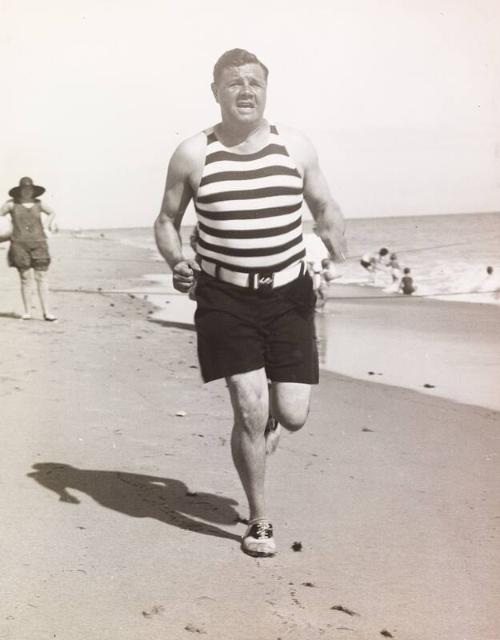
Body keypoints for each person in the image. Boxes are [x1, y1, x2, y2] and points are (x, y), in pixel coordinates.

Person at [154, 48, 347, 557]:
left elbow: (324, 205)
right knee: (248, 404)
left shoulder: (295, 147)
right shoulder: (193, 153)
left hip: (289, 295)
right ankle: (260, 520)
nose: (246, 91)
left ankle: (263, 431)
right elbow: (167, 220)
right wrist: (176, 260)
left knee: (292, 413)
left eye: (255, 83)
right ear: (215, 90)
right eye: (234, 82)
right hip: (224, 296)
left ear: (266, 89)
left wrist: (335, 241)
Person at [0, 177, 57, 320]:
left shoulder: (39, 203)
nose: (27, 191)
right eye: (24, 189)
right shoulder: (11, 204)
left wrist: (46, 226)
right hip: (19, 245)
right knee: (25, 278)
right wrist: (5, 233)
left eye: (29, 189)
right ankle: (27, 312)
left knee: (42, 277)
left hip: (39, 244)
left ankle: (47, 312)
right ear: (19, 190)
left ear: (33, 190)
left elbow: (52, 212)